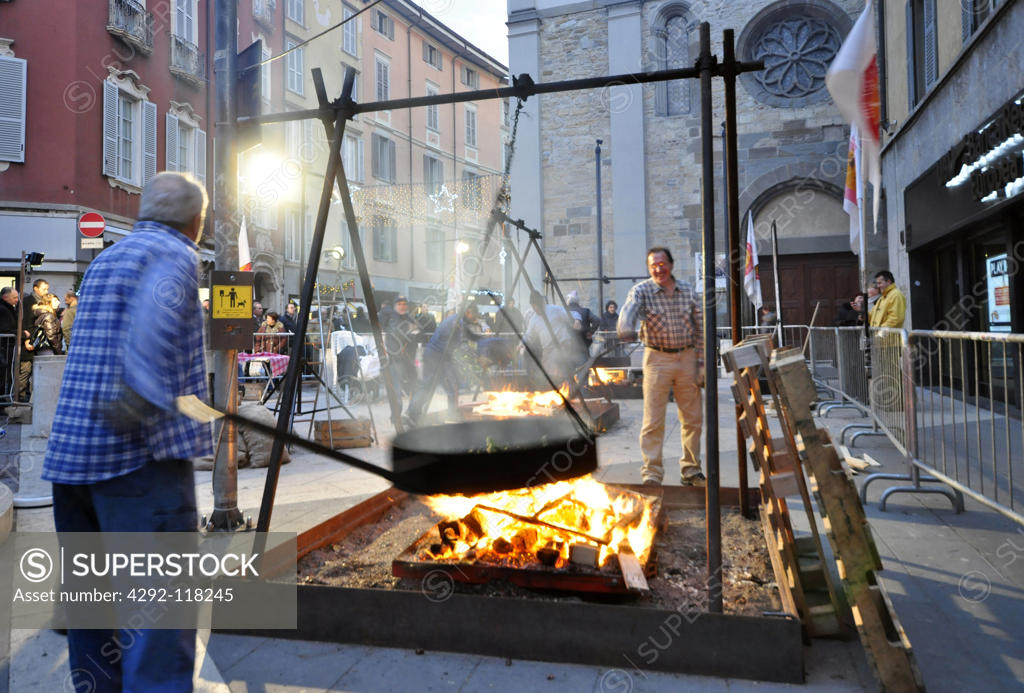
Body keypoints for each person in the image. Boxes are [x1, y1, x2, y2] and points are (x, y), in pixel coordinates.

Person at [42, 172, 212, 692]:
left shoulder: (109, 257)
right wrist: (144, 398)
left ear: (143, 210)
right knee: (157, 623)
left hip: (72, 461)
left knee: (93, 616)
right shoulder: (177, 255)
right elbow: (150, 333)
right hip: (135, 466)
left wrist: (194, 407)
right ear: (197, 221)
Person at [618, 247, 705, 486]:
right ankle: (652, 473)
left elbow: (700, 328)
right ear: (649, 268)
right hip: (656, 359)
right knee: (653, 419)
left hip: (687, 357)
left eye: (662, 263)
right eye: (653, 265)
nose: (658, 269)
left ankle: (691, 470)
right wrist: (624, 326)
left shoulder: (688, 291)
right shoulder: (642, 290)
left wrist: (702, 364)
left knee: (693, 419)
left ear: (671, 264)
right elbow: (629, 310)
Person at [405, 303, 484, 424]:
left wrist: (484, 340)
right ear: (468, 312)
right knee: (431, 386)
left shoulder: (458, 321)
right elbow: (456, 343)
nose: (475, 318)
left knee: (446, 387)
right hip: (436, 356)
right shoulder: (456, 323)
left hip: (440, 356)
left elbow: (469, 337)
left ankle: (449, 414)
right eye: (474, 315)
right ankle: (413, 413)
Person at [523, 290, 579, 385]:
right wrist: (522, 344)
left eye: (536, 305)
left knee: (561, 371)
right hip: (548, 350)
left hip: (562, 345)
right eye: (533, 306)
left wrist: (577, 320)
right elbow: (529, 335)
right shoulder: (534, 319)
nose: (535, 308)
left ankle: (568, 390)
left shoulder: (555, 310)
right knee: (549, 374)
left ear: (541, 303)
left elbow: (572, 315)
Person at [382, 296, 421, 394]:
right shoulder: (392, 317)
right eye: (399, 304)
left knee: (413, 381)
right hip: (396, 358)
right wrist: (411, 329)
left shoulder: (408, 317)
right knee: (396, 383)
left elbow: (419, 330)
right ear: (395, 306)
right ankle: (396, 405)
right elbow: (397, 333)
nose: (402, 307)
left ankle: (412, 403)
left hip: (408, 356)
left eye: (404, 304)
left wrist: (411, 330)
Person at [0, 287, 19, 401]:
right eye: (14, 297)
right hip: (4, 347)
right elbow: (5, 329)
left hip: (6, 346)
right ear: (5, 297)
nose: (17, 300)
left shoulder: (8, 308)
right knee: (3, 375)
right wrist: (21, 333)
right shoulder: (3, 310)